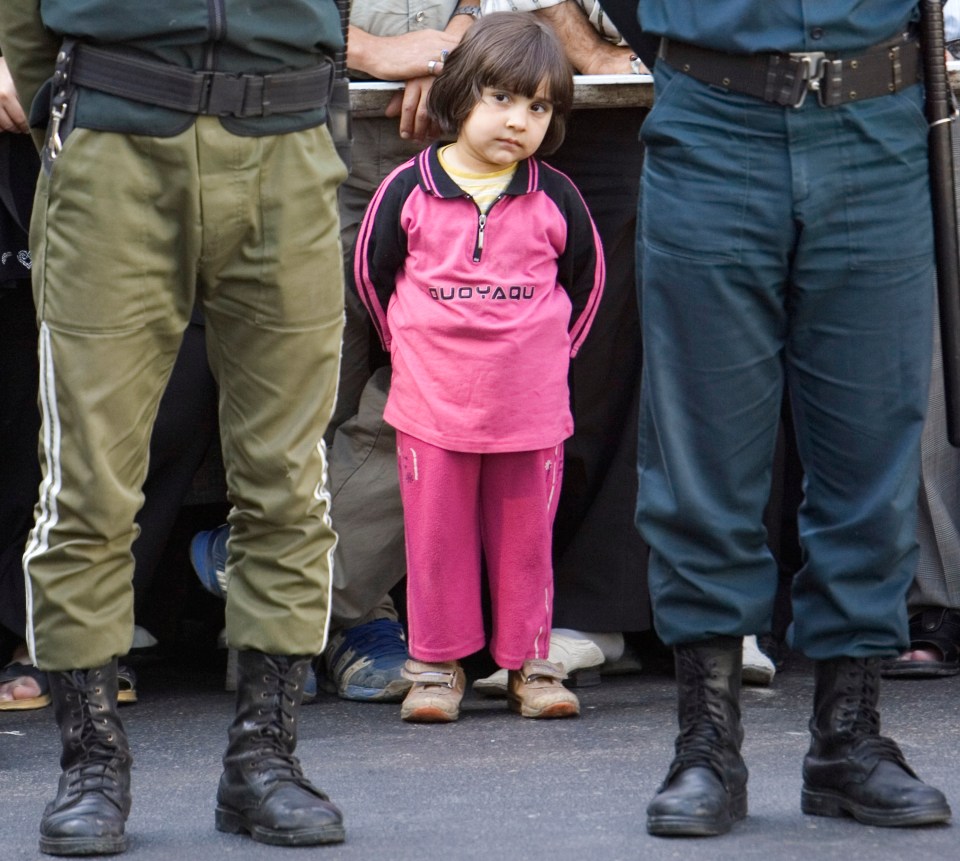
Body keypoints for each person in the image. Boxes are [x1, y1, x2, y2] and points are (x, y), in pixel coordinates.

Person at [0, 0, 348, 854]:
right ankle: (90, 762)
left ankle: (264, 757)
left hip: (288, 132)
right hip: (115, 138)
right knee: (85, 482)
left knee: (289, 479)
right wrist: (65, 111)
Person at [635, 0, 952, 837]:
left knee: (873, 442)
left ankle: (848, 737)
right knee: (700, 449)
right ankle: (706, 740)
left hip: (877, 121)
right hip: (714, 114)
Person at [353, 12, 604, 722]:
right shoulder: (409, 189)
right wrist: (412, 350)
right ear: (460, 94)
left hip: (531, 413)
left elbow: (587, 288)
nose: (517, 120)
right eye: (500, 97)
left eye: (538, 106)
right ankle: (436, 664)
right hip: (432, 408)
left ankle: (530, 661)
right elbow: (374, 280)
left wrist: (546, 359)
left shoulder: (555, 196)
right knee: (437, 543)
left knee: (525, 544)